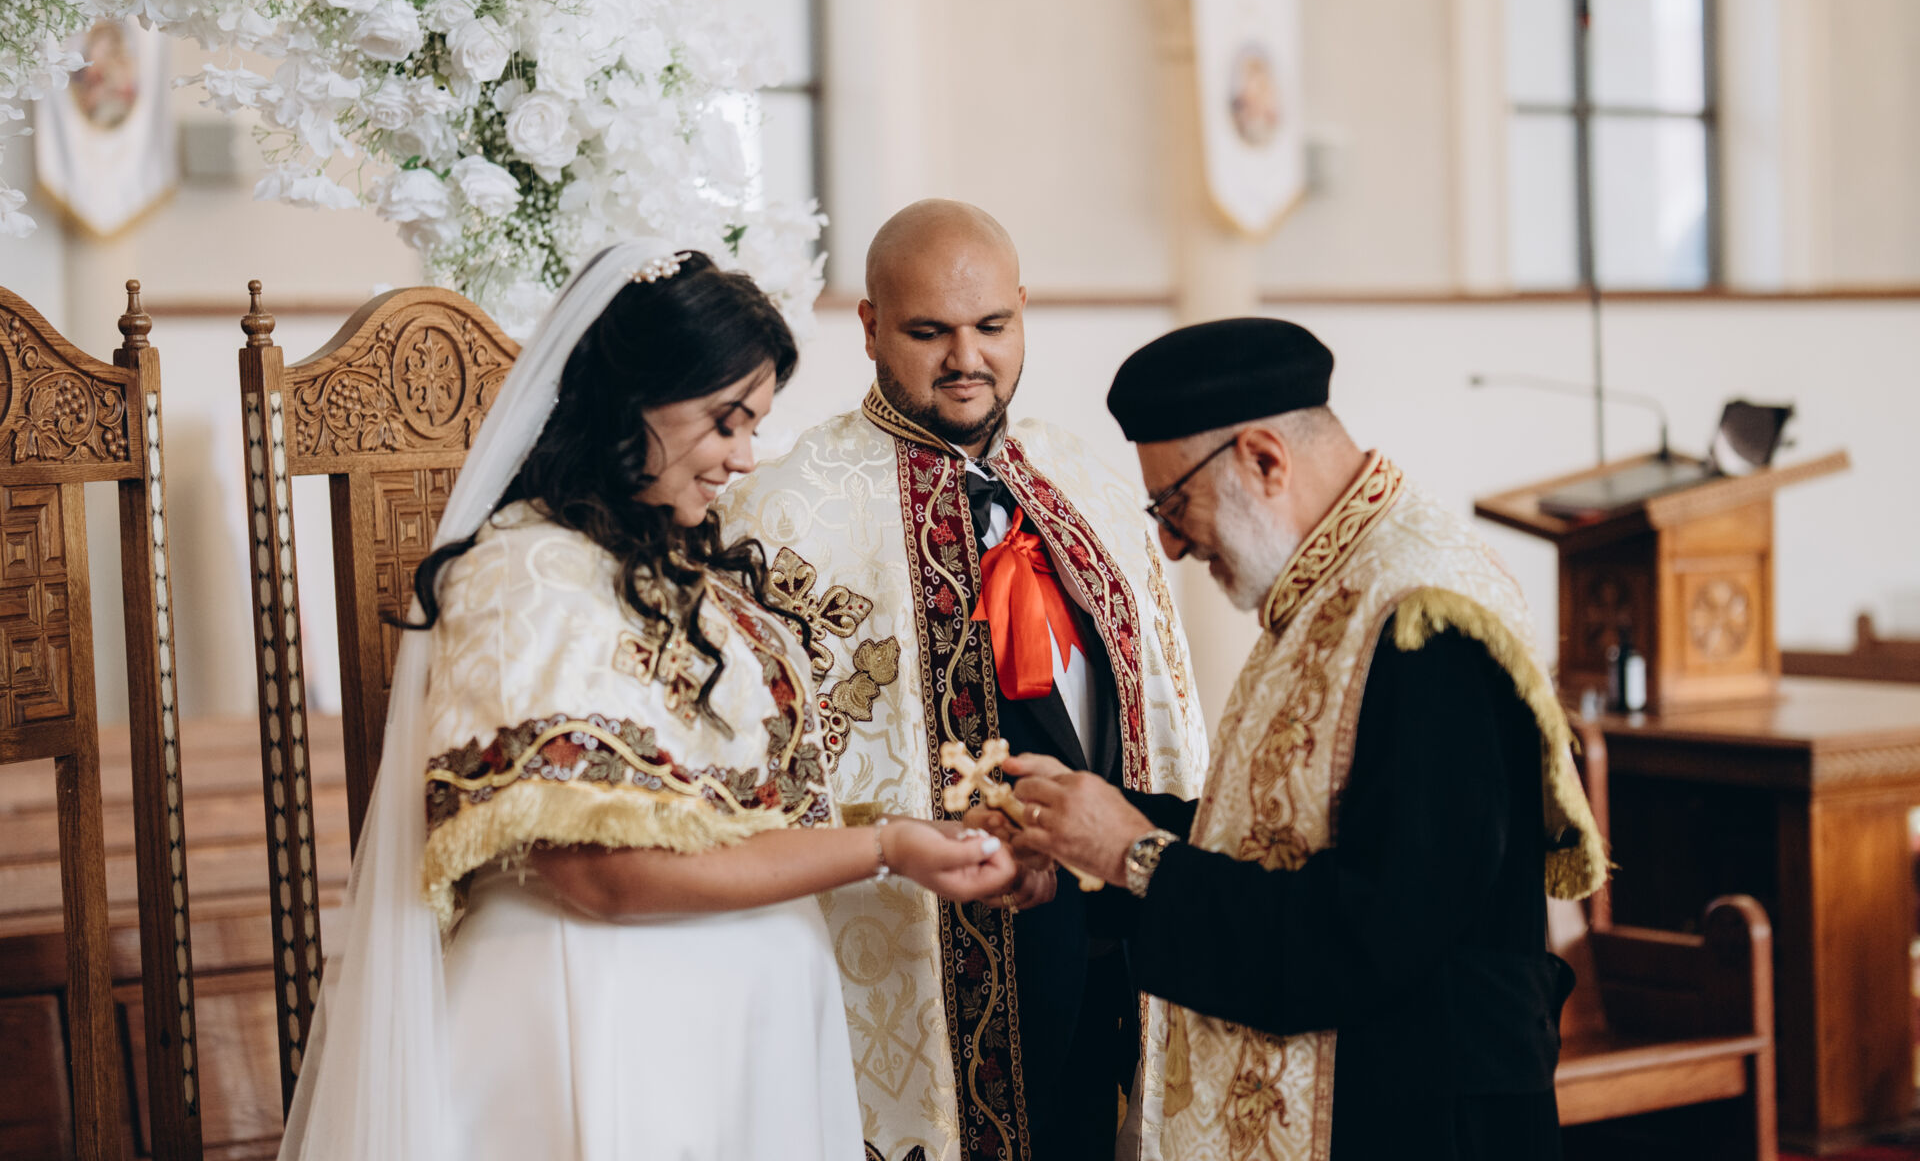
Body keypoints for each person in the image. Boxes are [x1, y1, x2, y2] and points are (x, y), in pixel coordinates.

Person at [275, 241, 1020, 1161]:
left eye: (755, 425)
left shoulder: (689, 578)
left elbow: (725, 814)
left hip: (738, 1030)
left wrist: (917, 834)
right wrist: (883, 848)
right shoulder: (528, 574)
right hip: (605, 1019)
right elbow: (602, 874)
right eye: (725, 422)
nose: (744, 458)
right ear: (634, 403)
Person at [981, 317, 1610, 1160]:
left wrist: (1135, 855)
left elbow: (1380, 928)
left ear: (1264, 460)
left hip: (1420, 1115)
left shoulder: (1424, 615)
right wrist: (1083, 838)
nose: (1170, 545)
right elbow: (1273, 836)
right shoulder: (1331, 583)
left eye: (1175, 506)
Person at [715, 200, 1209, 1161]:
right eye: (928, 331)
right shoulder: (780, 520)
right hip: (920, 967)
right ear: (868, 328)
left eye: (992, 325)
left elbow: (1164, 712)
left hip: (1110, 948)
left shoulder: (1088, 484)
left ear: (1023, 309)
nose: (966, 358)